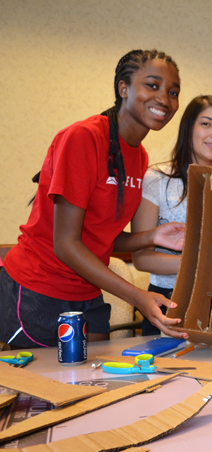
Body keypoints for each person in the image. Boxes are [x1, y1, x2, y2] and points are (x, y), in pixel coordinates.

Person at [0, 49, 188, 348]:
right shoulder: (83, 137)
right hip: (39, 290)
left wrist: (153, 236)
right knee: (43, 391)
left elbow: (99, 239)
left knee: (97, 385)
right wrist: (137, 295)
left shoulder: (139, 157)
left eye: (173, 91)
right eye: (152, 85)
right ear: (123, 88)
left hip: (87, 293)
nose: (165, 99)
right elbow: (66, 244)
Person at [131, 95, 212, 335]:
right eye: (206, 124)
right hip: (171, 300)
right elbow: (141, 259)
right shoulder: (156, 179)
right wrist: (197, 264)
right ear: (188, 128)